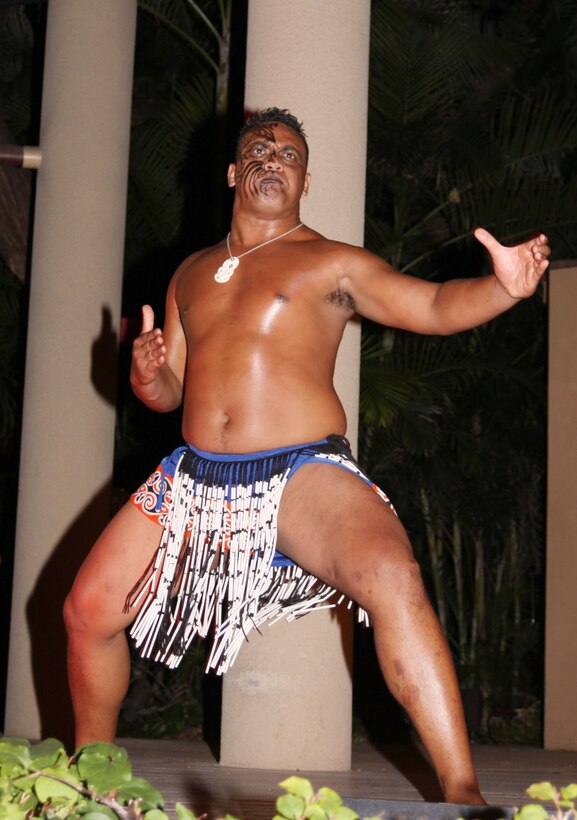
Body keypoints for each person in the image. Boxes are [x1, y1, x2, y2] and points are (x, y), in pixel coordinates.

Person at [64, 107, 550, 804]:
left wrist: (501, 288)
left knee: (391, 572)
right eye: (258, 150)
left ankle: (462, 794)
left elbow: (434, 306)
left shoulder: (331, 262)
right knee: (87, 610)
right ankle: (91, 786)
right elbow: (168, 392)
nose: (272, 159)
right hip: (196, 478)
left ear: (304, 178)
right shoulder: (190, 274)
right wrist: (148, 376)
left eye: (287, 153)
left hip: (300, 470)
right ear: (234, 173)